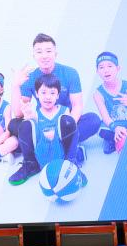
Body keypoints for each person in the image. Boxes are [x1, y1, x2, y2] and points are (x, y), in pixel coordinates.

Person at [8, 33, 100, 185]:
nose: (44, 55)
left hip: (66, 124)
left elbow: (77, 105)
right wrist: (15, 86)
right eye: (39, 51)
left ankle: (69, 158)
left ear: (55, 53)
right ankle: (32, 163)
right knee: (14, 124)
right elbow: (18, 113)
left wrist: (62, 128)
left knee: (93, 120)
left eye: (48, 51)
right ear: (34, 55)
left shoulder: (70, 73)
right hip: (42, 123)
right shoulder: (29, 77)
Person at [14, 73, 87, 186]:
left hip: (61, 153)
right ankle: (30, 164)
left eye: (52, 93)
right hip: (42, 154)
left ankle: (72, 162)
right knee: (24, 125)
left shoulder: (64, 110)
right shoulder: (35, 113)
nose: (48, 97)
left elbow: (70, 132)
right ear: (37, 94)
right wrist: (31, 118)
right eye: (43, 93)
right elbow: (35, 138)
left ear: (58, 95)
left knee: (70, 122)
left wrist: (55, 134)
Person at [93, 52, 127, 154]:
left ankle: (122, 138)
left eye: (110, 66)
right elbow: (105, 117)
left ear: (118, 68)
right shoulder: (98, 94)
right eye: (101, 67)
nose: (106, 70)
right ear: (97, 71)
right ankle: (113, 139)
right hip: (114, 125)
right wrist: (116, 128)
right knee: (100, 129)